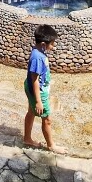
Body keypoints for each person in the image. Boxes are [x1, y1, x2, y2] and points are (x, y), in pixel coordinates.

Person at [23, 24, 65, 153]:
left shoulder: (38, 51)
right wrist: (38, 101)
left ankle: (27, 139)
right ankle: (51, 145)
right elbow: (35, 80)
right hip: (38, 93)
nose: (53, 46)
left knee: (31, 112)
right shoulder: (37, 58)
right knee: (47, 120)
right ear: (43, 44)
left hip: (33, 88)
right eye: (51, 44)